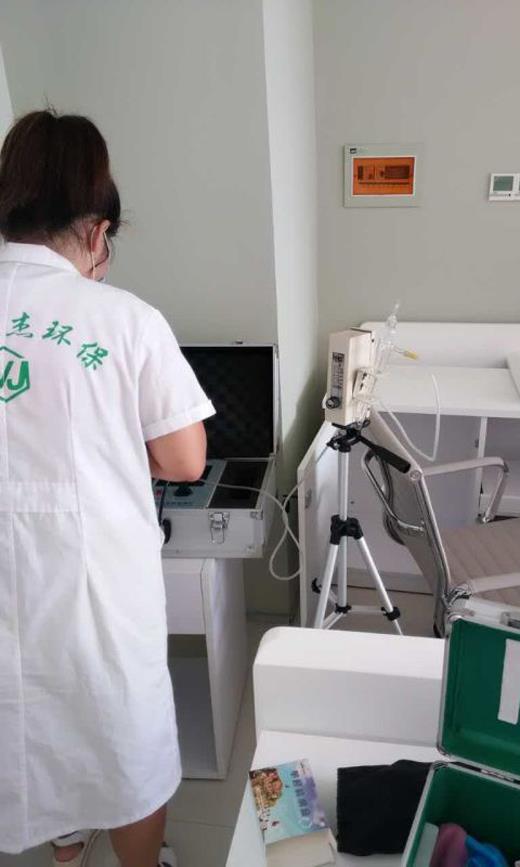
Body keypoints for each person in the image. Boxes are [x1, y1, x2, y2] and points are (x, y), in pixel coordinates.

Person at [0, 109, 215, 867]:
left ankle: (65, 846)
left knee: (24, 724)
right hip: (94, 583)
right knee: (124, 736)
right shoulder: (123, 320)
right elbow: (185, 459)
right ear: (97, 232)